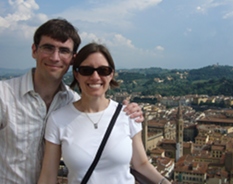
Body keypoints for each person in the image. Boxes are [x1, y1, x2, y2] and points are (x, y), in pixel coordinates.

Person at [0, 19, 144, 184]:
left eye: (64, 51)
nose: (55, 57)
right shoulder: (3, 96)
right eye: (48, 48)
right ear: (34, 50)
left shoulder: (74, 103)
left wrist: (131, 112)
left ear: (72, 59)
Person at [38, 43, 170, 184]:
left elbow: (141, 164)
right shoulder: (58, 119)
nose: (95, 77)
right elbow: (48, 176)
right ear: (76, 74)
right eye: (86, 70)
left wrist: (165, 182)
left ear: (111, 74)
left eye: (103, 70)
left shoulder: (128, 115)